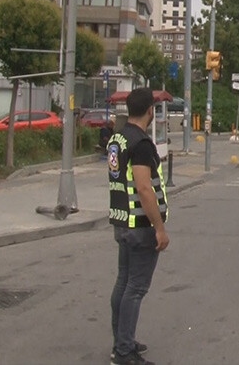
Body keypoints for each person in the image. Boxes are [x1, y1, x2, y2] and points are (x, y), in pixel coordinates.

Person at [106, 88, 169, 365]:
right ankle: (123, 353)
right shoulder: (141, 143)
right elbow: (144, 187)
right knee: (136, 289)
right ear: (150, 111)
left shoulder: (117, 138)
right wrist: (159, 228)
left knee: (123, 283)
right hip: (140, 225)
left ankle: (121, 342)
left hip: (121, 220)